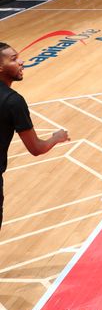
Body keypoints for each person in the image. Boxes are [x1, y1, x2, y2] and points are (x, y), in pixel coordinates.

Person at [1, 43, 70, 227]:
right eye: (14, 59)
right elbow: (36, 148)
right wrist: (57, 137)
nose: (22, 62)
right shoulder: (13, 101)